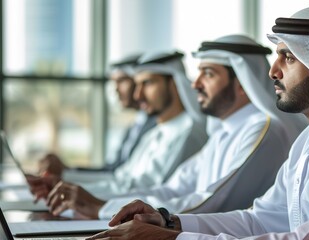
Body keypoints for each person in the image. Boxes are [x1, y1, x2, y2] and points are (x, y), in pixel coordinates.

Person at [86, 5, 309, 240]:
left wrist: (173, 238)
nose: (272, 71)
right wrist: (169, 221)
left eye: (289, 57)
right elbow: (261, 218)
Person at [44, 34, 306, 220]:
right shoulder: (225, 132)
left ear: (242, 84)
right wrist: (105, 205)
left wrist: (102, 208)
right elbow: (173, 188)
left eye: (209, 74)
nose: (196, 84)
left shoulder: (263, 130)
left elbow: (211, 202)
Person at [27, 50, 208, 219]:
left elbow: (151, 192)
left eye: (148, 83)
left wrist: (96, 203)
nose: (138, 95)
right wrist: (66, 186)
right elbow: (121, 180)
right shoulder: (154, 134)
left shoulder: (191, 134)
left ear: (175, 84)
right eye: (137, 85)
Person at [37, 54, 157, 181]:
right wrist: (66, 170)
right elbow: (111, 170)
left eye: (122, 81)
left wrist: (67, 174)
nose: (116, 89)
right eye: (114, 82)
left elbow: (125, 180)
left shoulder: (156, 127)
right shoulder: (135, 126)